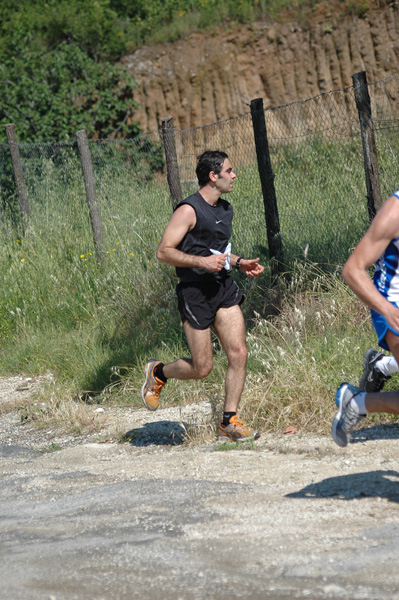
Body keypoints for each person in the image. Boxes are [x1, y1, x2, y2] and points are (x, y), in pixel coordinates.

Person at [141, 149, 264, 442]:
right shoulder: (188, 210)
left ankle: (229, 422)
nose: (234, 175)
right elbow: (163, 251)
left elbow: (216, 252)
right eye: (229, 170)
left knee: (239, 353)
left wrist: (237, 262)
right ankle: (159, 372)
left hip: (222, 287)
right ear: (213, 176)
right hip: (194, 292)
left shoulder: (225, 209)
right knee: (202, 367)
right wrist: (201, 263)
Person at [332, 188, 399, 447]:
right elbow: (352, 270)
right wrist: (386, 309)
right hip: (392, 306)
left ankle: (357, 401)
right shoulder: (393, 213)